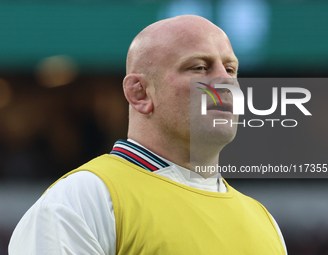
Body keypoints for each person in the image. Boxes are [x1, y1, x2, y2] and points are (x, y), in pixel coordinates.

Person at [9, 15, 287, 254]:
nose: (225, 81)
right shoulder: (83, 199)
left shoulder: (264, 221)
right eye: (199, 67)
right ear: (139, 93)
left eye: (230, 69)